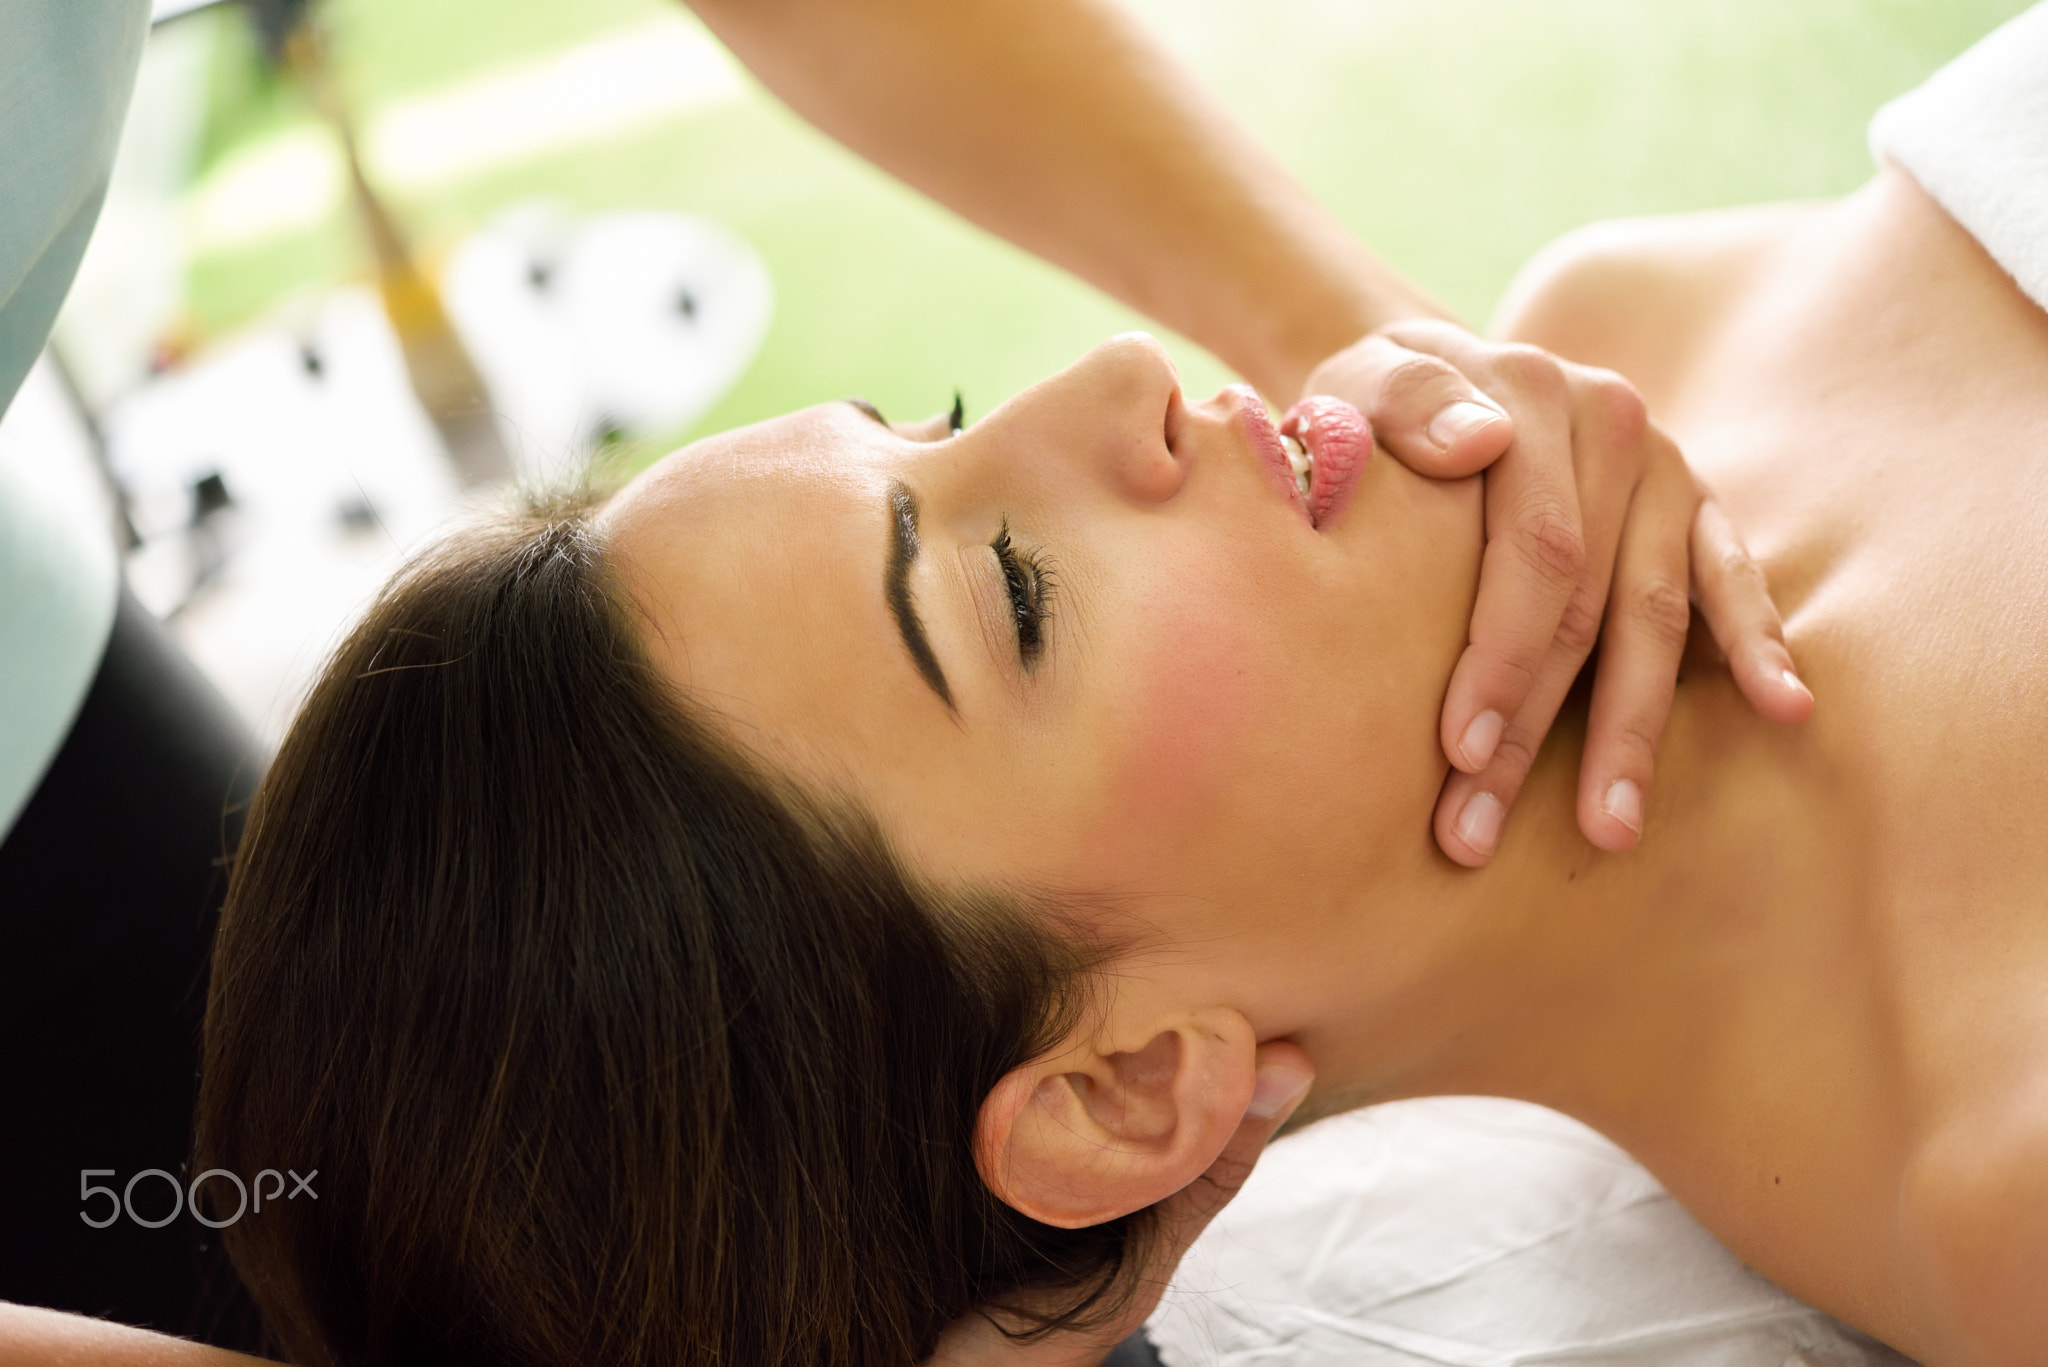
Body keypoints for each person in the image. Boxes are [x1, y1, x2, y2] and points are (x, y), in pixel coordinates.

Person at [182, 1, 2048, 1362]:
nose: (1117, 380)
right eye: (1012, 595)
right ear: (1132, 1089)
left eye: (942, 426)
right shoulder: (2006, 1169)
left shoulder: (1622, 321)